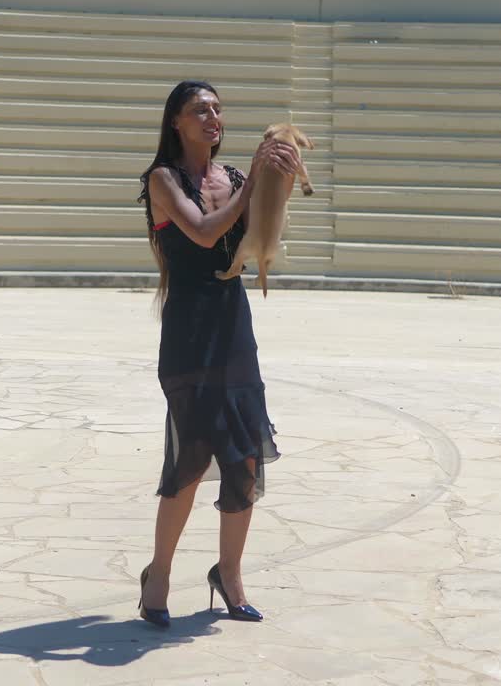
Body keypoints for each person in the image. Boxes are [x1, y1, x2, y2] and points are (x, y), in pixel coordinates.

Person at [135, 80, 301, 627]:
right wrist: (255, 176)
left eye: (217, 109)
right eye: (199, 110)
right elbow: (205, 233)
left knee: (246, 458)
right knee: (191, 460)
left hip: (233, 329)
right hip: (188, 333)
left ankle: (229, 575)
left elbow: (260, 240)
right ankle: (157, 575)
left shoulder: (231, 178)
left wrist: (280, 174)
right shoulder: (164, 179)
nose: (212, 117)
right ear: (176, 123)